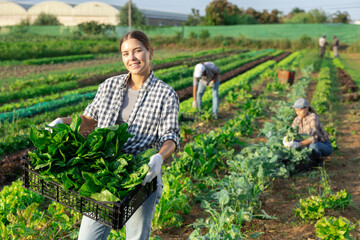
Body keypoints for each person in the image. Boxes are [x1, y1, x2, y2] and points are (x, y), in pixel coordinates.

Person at [47, 30, 180, 240]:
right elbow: (89, 119)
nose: (132, 58)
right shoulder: (109, 85)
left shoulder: (166, 94)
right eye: (126, 53)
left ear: (150, 52)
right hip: (105, 173)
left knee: (135, 237)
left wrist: (159, 158)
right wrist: (62, 123)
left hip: (141, 176)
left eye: (137, 51)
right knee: (88, 237)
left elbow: (170, 137)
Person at [283, 98, 333, 164]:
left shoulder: (313, 117)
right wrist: (287, 138)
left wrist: (298, 144)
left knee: (313, 146)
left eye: (299, 110)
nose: (297, 112)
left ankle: (318, 160)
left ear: (306, 108)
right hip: (307, 143)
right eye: (296, 110)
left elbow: (314, 138)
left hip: (323, 145)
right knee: (291, 144)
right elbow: (291, 132)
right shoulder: (297, 119)